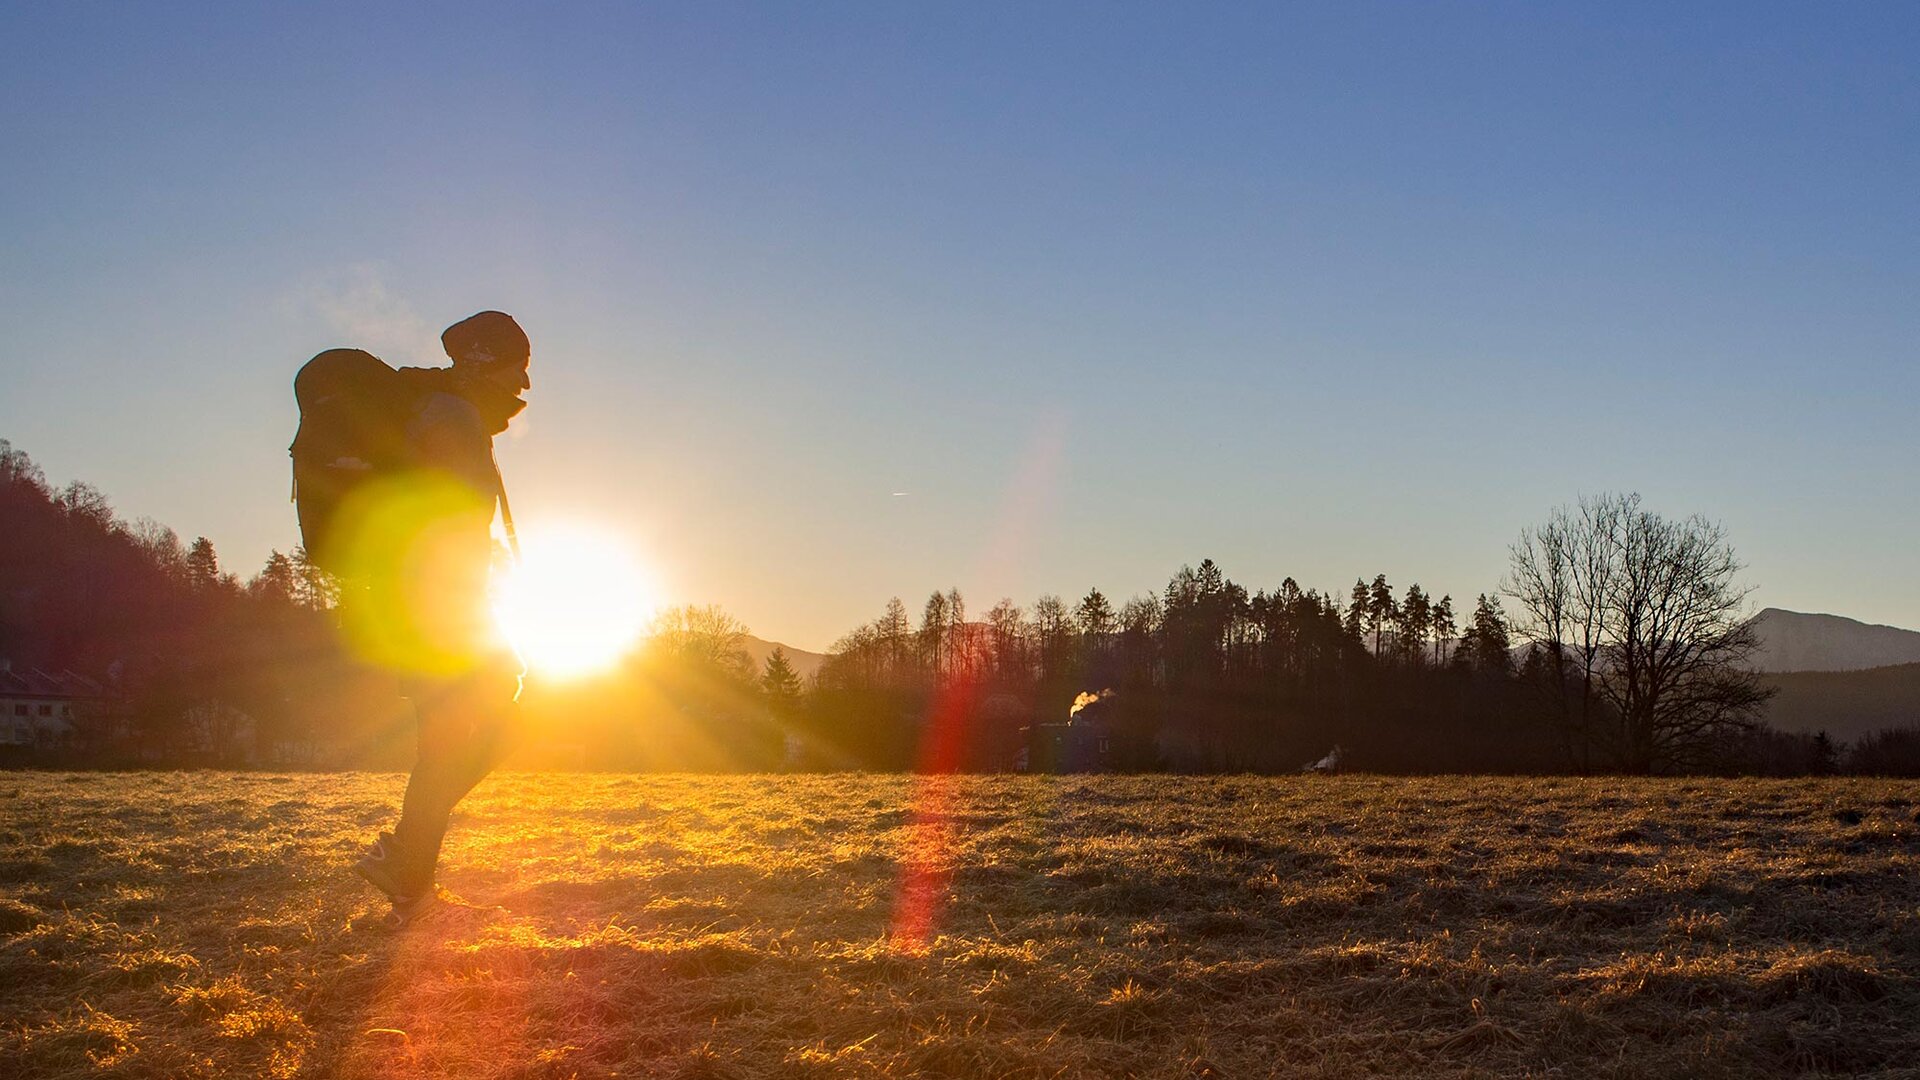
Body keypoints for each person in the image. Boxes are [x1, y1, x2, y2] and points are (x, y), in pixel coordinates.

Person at [346, 310, 532, 920]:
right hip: (434, 609)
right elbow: (446, 519)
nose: (522, 387)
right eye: (515, 371)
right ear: (485, 364)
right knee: (508, 714)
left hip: (423, 605)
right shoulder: (450, 418)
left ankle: (410, 880)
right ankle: (406, 862)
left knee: (445, 742)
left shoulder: (445, 410)